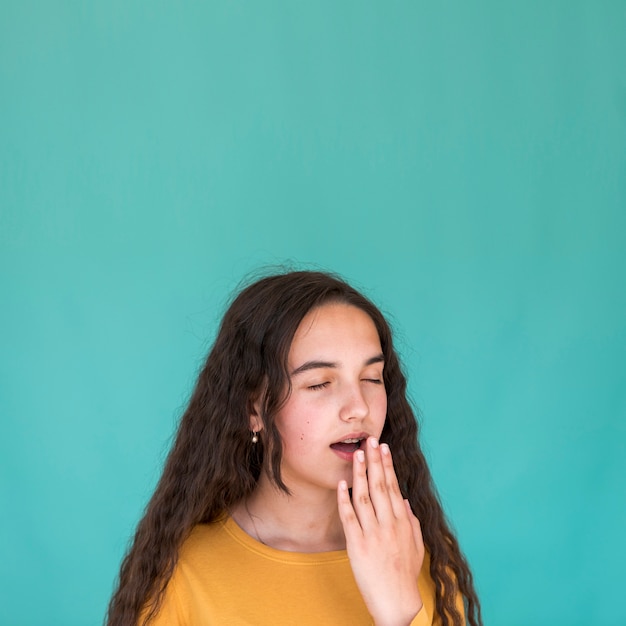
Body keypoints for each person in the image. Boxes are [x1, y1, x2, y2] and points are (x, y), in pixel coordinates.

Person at [107, 270, 482, 626]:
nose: (359, 408)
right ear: (253, 408)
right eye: (320, 383)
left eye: (372, 377)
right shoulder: (182, 573)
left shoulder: (419, 551)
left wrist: (399, 612)